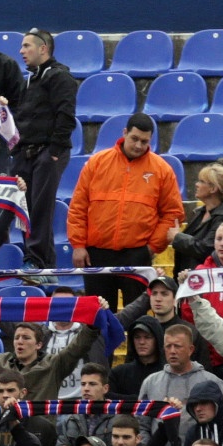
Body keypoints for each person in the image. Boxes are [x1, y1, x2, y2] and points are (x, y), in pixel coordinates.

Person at [69, 114, 184, 307]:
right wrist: (78, 244)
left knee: (137, 321)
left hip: (136, 254)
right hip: (96, 254)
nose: (139, 145)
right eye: (135, 139)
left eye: (145, 141)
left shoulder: (161, 169)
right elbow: (78, 206)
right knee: (99, 319)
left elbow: (173, 213)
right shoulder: (97, 163)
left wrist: (151, 248)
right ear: (125, 133)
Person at [13, 30, 80, 266]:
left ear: (43, 49)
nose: (21, 51)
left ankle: (38, 261)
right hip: (26, 154)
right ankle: (39, 261)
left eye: (26, 46)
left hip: (47, 153)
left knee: (40, 209)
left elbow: (66, 116)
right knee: (26, 209)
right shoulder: (29, 80)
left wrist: (53, 152)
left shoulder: (60, 77)